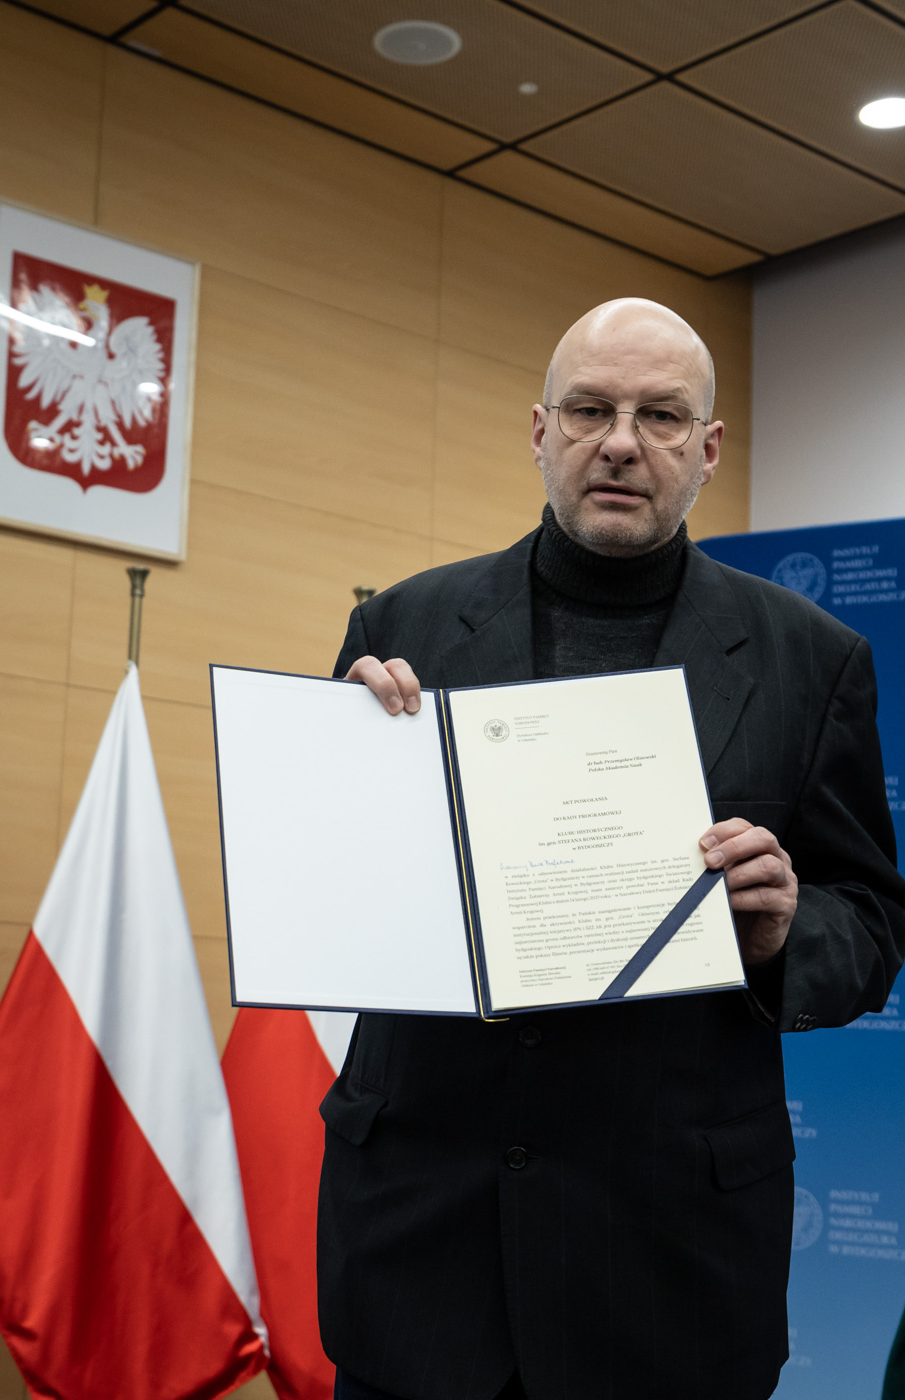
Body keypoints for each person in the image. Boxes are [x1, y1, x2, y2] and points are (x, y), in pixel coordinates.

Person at [316, 299, 905, 1400]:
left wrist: (785, 929)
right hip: (420, 1255)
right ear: (541, 431)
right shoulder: (401, 630)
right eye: (590, 409)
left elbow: (871, 922)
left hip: (671, 1269)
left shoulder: (812, 658)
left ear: (707, 449)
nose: (622, 442)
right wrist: (338, 772)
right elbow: (326, 896)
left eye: (660, 416)